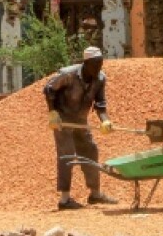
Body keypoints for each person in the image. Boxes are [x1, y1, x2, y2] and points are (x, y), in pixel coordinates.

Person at [44, 46, 118, 210]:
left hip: (80, 120)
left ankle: (95, 194)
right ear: (86, 63)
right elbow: (49, 89)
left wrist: (105, 121)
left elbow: (100, 104)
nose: (98, 67)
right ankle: (64, 200)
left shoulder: (100, 79)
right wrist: (52, 113)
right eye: (95, 64)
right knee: (67, 155)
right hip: (63, 120)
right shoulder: (68, 75)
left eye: (100, 63)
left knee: (90, 150)